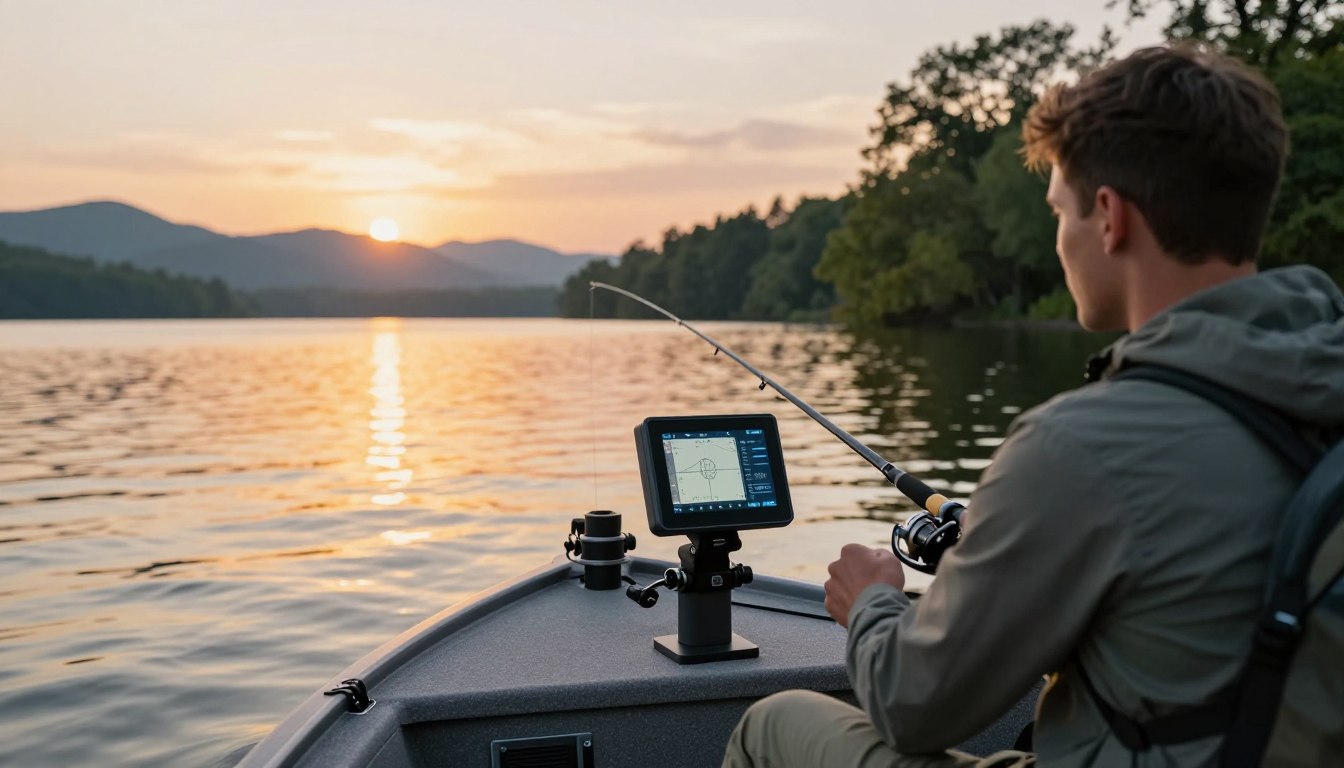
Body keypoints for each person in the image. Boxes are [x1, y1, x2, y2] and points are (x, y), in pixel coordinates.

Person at [723, 44, 1344, 767]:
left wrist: (871, 602)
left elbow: (911, 705)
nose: (1058, 239)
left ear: (1109, 218)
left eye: (1058, 211)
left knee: (774, 726)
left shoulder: (1082, 447)